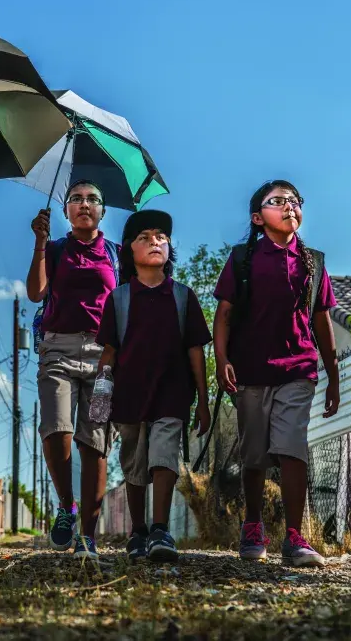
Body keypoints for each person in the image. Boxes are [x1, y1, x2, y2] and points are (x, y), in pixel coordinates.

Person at [212, 180, 339, 567]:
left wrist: (332, 374)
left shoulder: (313, 262)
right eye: (278, 201)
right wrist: (221, 360)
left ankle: (295, 537)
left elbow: (322, 320)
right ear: (257, 217)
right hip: (250, 371)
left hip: (298, 370)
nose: (290, 207)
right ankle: (253, 525)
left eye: (295, 201)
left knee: (291, 447)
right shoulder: (242, 259)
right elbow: (224, 315)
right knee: (254, 454)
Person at [94, 209, 211, 563]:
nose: (155, 241)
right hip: (129, 395)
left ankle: (161, 530)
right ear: (130, 250)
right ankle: (138, 531)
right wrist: (101, 393)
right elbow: (110, 351)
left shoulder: (183, 297)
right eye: (144, 237)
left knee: (164, 455)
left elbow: (195, 351)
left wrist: (203, 402)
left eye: (161, 236)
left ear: (169, 247)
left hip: (172, 393)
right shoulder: (119, 299)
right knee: (133, 460)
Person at [26, 180, 119, 560]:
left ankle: (88, 538)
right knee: (56, 426)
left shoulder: (115, 254)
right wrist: (39, 241)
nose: (84, 204)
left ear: (103, 211)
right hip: (58, 352)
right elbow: (36, 292)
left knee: (95, 442)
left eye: (93, 199)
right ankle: (67, 505)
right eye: (76, 199)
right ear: (65, 210)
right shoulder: (54, 249)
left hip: (104, 359)